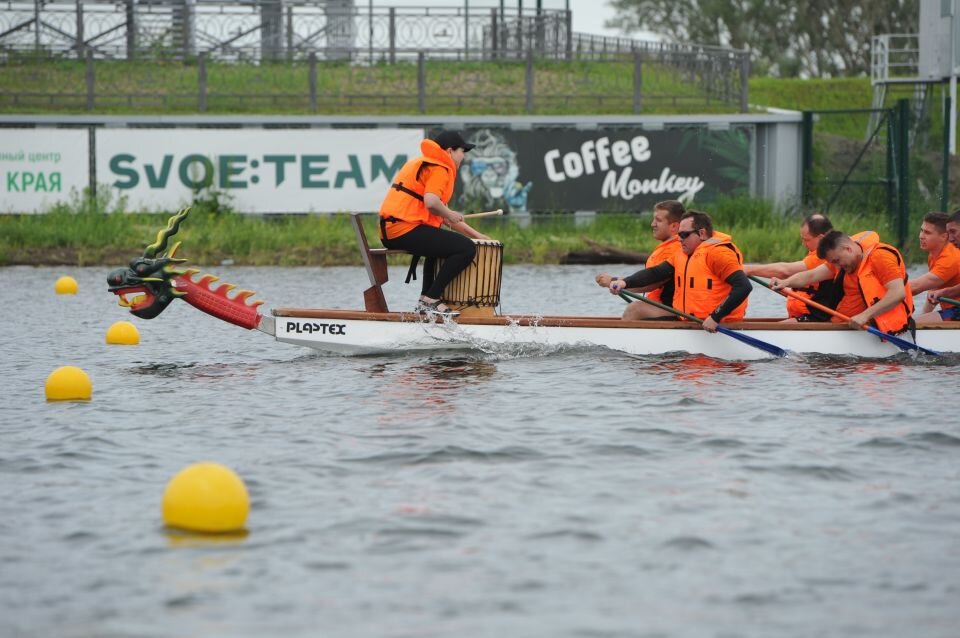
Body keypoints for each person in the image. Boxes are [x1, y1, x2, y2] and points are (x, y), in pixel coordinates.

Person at [378, 130, 490, 317]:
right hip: (402, 230)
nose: (463, 156)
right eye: (462, 151)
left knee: (441, 243)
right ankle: (431, 299)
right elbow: (432, 203)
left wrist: (479, 236)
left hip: (392, 230)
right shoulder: (440, 169)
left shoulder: (426, 164)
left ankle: (426, 300)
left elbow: (446, 218)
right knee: (466, 249)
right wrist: (449, 213)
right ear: (449, 151)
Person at [607, 210, 751, 332]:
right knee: (635, 308)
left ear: (701, 233)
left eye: (684, 235)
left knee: (634, 310)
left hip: (717, 324)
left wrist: (715, 317)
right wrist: (625, 282)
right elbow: (655, 273)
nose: (679, 240)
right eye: (678, 235)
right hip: (687, 318)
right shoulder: (682, 254)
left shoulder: (718, 254)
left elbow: (743, 286)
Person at [770, 230, 914, 333]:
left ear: (848, 249)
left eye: (837, 261)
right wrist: (785, 283)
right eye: (834, 263)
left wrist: (865, 316)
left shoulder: (881, 257)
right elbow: (811, 276)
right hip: (845, 323)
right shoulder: (840, 261)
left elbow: (897, 293)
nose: (837, 267)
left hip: (881, 327)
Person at [595, 199, 685, 320]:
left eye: (658, 220)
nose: (652, 224)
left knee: (634, 309)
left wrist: (614, 281)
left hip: (675, 310)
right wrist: (617, 283)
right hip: (662, 306)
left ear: (674, 226)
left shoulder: (674, 249)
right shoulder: (668, 246)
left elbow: (652, 283)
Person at [744, 213, 839, 320]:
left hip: (815, 316)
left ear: (821, 238)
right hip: (801, 315)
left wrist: (747, 269)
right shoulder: (815, 252)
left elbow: (785, 271)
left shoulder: (826, 255)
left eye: (806, 240)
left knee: (777, 330)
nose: (803, 244)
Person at [915, 210, 960, 322]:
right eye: (921, 231)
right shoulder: (933, 256)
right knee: (916, 322)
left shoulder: (950, 258)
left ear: (943, 237)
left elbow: (915, 287)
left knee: (915, 323)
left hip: (956, 309)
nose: (921, 236)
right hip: (954, 310)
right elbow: (933, 296)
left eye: (927, 232)